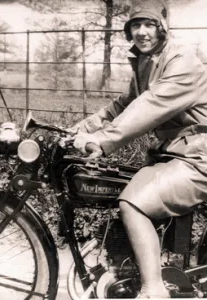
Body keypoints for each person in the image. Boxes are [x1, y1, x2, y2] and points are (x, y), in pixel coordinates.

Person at [69, 0, 207, 298]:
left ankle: (154, 288)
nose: (142, 32)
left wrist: (103, 140)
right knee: (115, 186)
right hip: (172, 155)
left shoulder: (182, 60)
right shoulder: (147, 61)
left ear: (162, 26)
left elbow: (149, 106)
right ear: (128, 30)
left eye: (149, 24)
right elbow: (121, 105)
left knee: (132, 202)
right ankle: (128, 268)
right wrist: (80, 129)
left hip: (198, 158)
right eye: (135, 25)